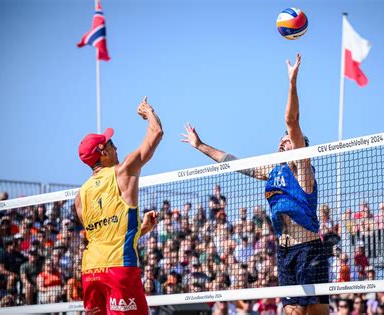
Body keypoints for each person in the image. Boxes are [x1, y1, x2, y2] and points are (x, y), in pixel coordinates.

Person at [181, 53, 328, 314]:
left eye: (289, 139)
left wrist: (292, 83)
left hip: (309, 250)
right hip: (285, 254)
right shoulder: (272, 172)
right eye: (281, 139)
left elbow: (292, 122)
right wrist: (200, 145)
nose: (283, 141)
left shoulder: (304, 168)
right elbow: (233, 162)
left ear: (301, 146)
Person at [74, 97, 163, 314]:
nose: (117, 147)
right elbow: (156, 133)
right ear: (102, 152)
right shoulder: (123, 172)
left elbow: (106, 236)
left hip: (91, 271)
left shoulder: (80, 195)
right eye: (112, 144)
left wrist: (142, 229)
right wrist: (148, 112)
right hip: (119, 269)